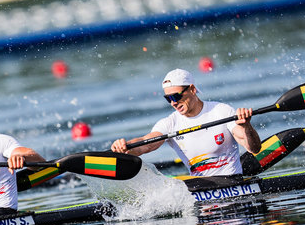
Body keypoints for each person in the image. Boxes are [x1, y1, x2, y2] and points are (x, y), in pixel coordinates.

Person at [111, 68, 261, 176]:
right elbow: (146, 143)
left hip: (233, 183)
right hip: (202, 192)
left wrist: (246, 126)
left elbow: (254, 148)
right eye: (168, 98)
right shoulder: (170, 123)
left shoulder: (221, 111)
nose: (173, 103)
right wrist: (125, 148)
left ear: (192, 89)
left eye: (176, 97)